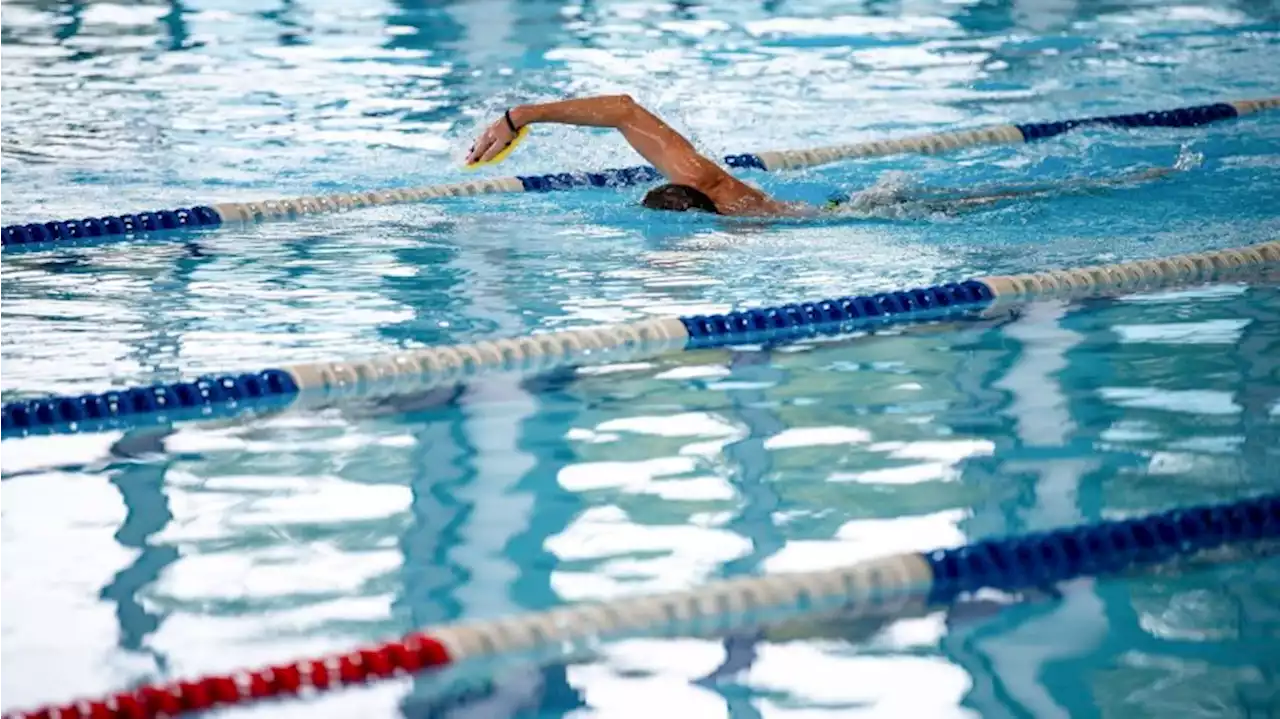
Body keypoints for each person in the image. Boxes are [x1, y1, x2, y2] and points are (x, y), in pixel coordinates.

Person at [466, 94, 1177, 217]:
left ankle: (1142, 173)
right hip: (845, 208)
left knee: (1014, 199)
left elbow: (621, 107)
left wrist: (517, 114)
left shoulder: (730, 203)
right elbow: (623, 110)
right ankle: (1137, 173)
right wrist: (519, 116)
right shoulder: (701, 182)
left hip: (862, 214)